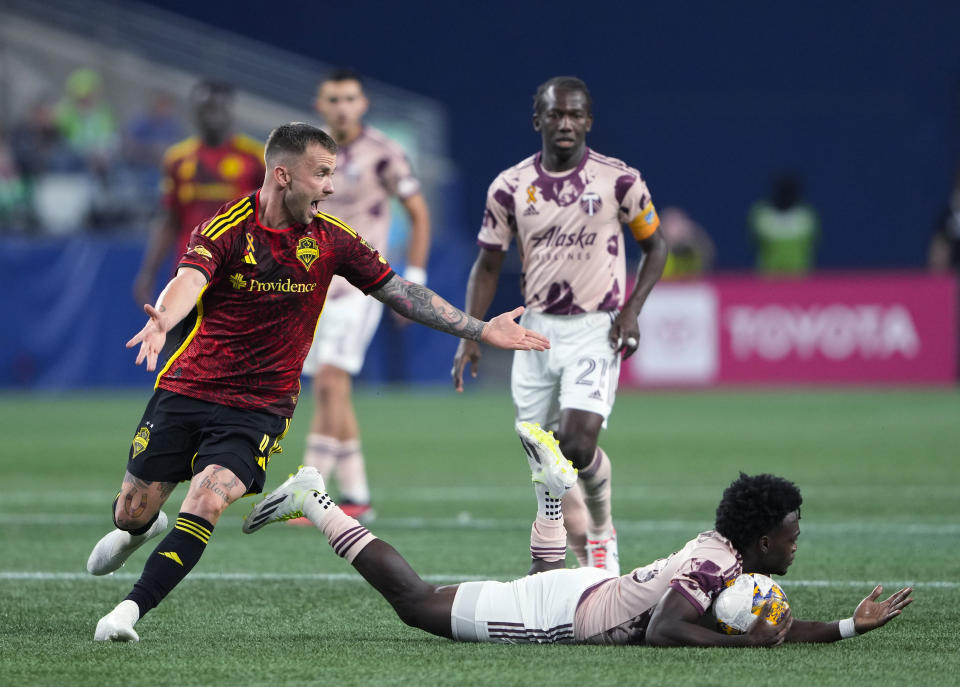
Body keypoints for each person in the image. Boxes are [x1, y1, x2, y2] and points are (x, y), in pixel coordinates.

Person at [88, 122, 550, 642]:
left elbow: (400, 292)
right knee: (130, 513)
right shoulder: (227, 227)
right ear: (283, 175)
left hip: (260, 406)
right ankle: (142, 528)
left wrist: (481, 328)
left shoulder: (333, 240)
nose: (332, 187)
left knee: (207, 500)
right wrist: (161, 320)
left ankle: (127, 612)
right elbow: (188, 280)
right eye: (323, 174)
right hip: (189, 387)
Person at [242, 437, 913, 647]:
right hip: (566, 613)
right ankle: (315, 499)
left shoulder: (726, 557)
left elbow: (761, 624)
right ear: (765, 537)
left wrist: (850, 626)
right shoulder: (717, 561)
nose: (796, 547)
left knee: (528, 581)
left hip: (584, 592)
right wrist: (744, 645)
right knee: (416, 603)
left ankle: (549, 497)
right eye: (791, 537)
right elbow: (666, 632)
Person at [452, 76, 668, 575]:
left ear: (589, 121)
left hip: (596, 327)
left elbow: (656, 247)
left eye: (575, 115)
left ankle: (602, 533)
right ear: (538, 121)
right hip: (535, 332)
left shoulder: (620, 181)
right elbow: (487, 265)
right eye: (555, 115)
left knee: (575, 442)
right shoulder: (508, 187)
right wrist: (473, 334)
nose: (565, 123)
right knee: (545, 464)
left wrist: (631, 311)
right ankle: (579, 564)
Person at [297, 69, 431, 522]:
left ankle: (309, 492)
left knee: (332, 381)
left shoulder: (384, 154)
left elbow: (418, 212)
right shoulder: (304, 152)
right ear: (320, 105)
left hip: (360, 283)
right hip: (311, 283)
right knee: (331, 390)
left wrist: (411, 278)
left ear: (363, 104)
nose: (341, 106)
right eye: (333, 99)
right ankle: (356, 495)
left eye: (349, 98)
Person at [132, 80, 264, 307]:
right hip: (188, 276)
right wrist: (148, 272)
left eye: (218, 108)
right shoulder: (177, 159)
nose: (211, 116)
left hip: (238, 276)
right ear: (195, 112)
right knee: (184, 342)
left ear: (230, 110)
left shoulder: (255, 158)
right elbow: (169, 220)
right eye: (205, 108)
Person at [748, 172, 819, 276]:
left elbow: (811, 244)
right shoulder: (761, 215)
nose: (786, 196)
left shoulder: (806, 216)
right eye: (782, 192)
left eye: (789, 193)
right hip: (768, 276)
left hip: (799, 276)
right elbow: (755, 242)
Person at [659, 206, 715, 279]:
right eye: (668, 226)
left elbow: (707, 263)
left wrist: (695, 236)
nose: (675, 232)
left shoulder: (694, 250)